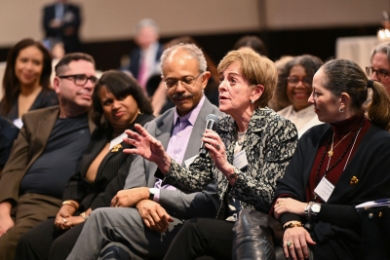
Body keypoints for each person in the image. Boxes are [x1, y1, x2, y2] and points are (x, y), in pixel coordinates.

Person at [118, 48, 298, 260]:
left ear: (256, 92)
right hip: (226, 224)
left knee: (194, 229)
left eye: (232, 81)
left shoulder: (279, 128)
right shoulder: (223, 128)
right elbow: (194, 180)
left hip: (261, 226)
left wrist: (228, 169)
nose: (221, 86)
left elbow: (269, 196)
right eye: (222, 79)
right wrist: (162, 161)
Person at [67, 43, 221, 260]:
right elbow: (133, 186)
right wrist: (142, 201)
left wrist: (152, 195)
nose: (179, 88)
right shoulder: (154, 127)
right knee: (110, 252)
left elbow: (210, 199)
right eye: (171, 82)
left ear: (204, 79)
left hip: (187, 223)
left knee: (101, 220)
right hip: (145, 219)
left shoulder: (219, 125)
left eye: (187, 80)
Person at [15, 70, 155, 260]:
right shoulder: (102, 133)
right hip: (81, 210)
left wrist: (83, 217)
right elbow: (77, 177)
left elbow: (121, 183)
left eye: (121, 97)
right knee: (29, 242)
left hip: (108, 214)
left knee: (61, 247)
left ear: (136, 96)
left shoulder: (146, 129)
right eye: (108, 102)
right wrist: (66, 208)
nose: (115, 105)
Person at [271, 59, 390, 260]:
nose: (310, 99)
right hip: (301, 237)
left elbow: (367, 215)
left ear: (342, 100)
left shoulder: (381, 146)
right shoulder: (313, 137)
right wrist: (293, 225)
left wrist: (308, 209)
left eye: (317, 93)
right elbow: (286, 192)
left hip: (346, 248)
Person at [0, 52, 96, 260]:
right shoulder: (36, 120)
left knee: (9, 243)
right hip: (19, 201)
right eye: (80, 78)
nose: (88, 85)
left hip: (58, 205)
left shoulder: (102, 123)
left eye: (92, 79)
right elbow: (13, 168)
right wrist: (3, 212)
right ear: (57, 84)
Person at [0, 38, 58, 128]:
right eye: (24, 60)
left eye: (36, 62)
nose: (29, 67)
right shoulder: (7, 101)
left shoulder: (53, 100)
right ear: (13, 63)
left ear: (44, 68)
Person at [277, 55, 324, 138]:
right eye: (294, 80)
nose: (300, 85)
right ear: (284, 84)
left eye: (307, 80)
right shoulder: (276, 118)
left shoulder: (326, 120)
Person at [126, 18, 163, 91]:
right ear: (136, 38)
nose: (146, 37)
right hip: (139, 89)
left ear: (156, 35)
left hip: (157, 88)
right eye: (143, 35)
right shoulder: (136, 53)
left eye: (149, 34)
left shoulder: (163, 50)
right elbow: (129, 68)